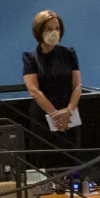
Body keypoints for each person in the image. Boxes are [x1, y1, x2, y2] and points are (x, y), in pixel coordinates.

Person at [21, 10, 81, 146]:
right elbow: (34, 91)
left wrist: (69, 111)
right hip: (43, 117)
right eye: (49, 29)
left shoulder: (69, 53)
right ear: (39, 31)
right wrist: (55, 116)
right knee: (45, 155)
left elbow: (77, 86)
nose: (54, 32)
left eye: (57, 28)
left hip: (69, 116)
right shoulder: (30, 57)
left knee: (72, 155)